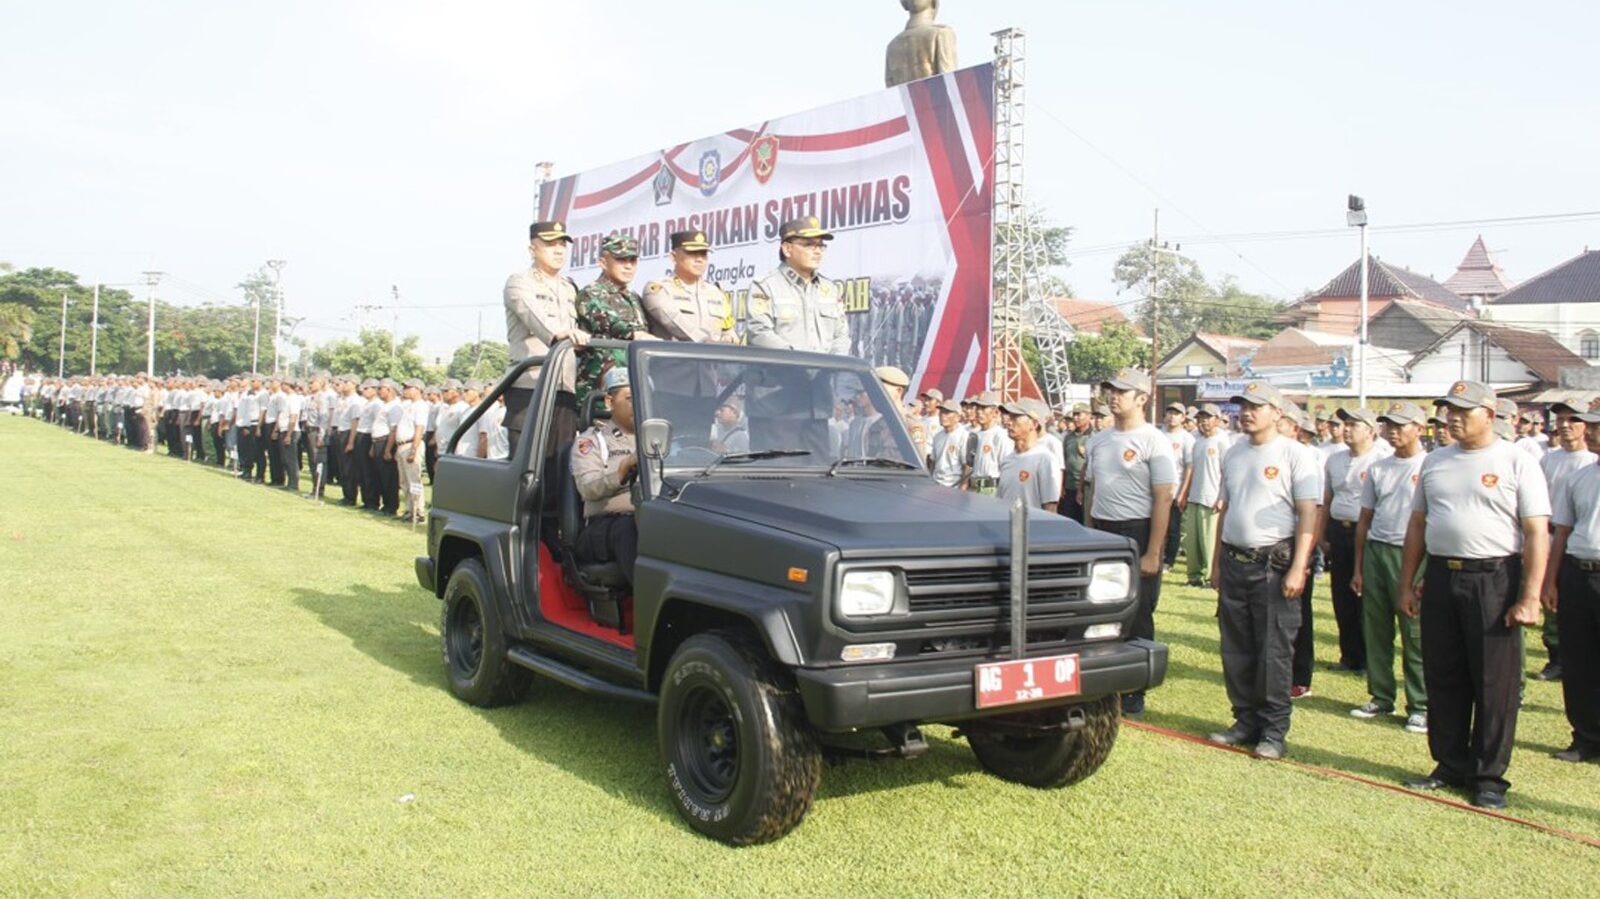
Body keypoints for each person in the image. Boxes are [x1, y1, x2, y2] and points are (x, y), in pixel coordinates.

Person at [1399, 380, 1549, 809]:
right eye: (1449, 409)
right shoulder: (1435, 462)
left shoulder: (1516, 460)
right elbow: (1418, 526)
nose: (1453, 417)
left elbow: (1537, 532)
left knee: (1493, 683)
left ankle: (1487, 776)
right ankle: (1449, 764)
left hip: (1495, 578)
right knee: (1444, 675)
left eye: (1463, 410)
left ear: (1490, 413)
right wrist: (1407, 583)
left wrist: (1530, 595)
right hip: (1443, 577)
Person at [1207, 381, 1321, 760]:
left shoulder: (1295, 454)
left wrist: (1299, 568)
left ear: (1278, 412)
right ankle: (1244, 720)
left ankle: (1273, 730)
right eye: (1243, 406)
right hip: (1235, 560)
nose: (1247, 412)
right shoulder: (1235, 452)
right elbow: (1228, 508)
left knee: (1274, 650)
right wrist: (1216, 564)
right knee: (1236, 646)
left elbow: (1308, 513)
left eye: (1256, 406)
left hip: (1274, 563)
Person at [1083, 368, 1176, 718]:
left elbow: (1163, 498)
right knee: (1100, 608)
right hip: (1103, 531)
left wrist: (1154, 551)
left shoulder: (1154, 440)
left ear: (1142, 398)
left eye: (1122, 392)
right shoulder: (1099, 440)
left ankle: (1135, 690)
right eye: (1111, 390)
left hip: (1137, 531)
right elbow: (1091, 492)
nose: (1113, 397)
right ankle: (1103, 680)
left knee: (1138, 612)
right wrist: (1088, 533)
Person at [1350, 402, 1431, 733]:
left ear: (1419, 428)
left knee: (1414, 632)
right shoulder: (1379, 468)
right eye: (1388, 425)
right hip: (1377, 550)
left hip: (1411, 552)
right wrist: (1358, 567)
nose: (1393, 431)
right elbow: (1364, 520)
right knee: (1376, 628)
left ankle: (1421, 704)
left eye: (1401, 425)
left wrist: (1424, 570)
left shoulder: (1429, 465)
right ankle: (1381, 695)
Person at [1542, 398, 1600, 764]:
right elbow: (1561, 533)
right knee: (1579, 661)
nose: (1591, 431)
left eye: (1596, 425)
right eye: (1589, 425)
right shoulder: (1579, 477)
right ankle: (1585, 738)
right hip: (1579, 573)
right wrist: (1550, 582)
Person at [504, 220, 584, 450]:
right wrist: (561, 334)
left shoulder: (569, 287)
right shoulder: (519, 283)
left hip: (564, 387)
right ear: (532, 250)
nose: (559, 250)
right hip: (530, 386)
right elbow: (537, 318)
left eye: (562, 244)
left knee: (559, 465)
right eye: (550, 244)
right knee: (527, 471)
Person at [1534, 398, 1596, 682]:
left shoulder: (1587, 462)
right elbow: (1559, 526)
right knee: (1555, 604)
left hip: (1585, 550)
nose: (1565, 425)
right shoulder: (1556, 462)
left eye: (1575, 420)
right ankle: (1557, 657)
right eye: (1561, 419)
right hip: (1560, 546)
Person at [1322, 408, 1385, 674]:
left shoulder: (1381, 460)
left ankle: (1371, 658)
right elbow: (1327, 499)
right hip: (1339, 531)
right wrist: (1322, 534)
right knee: (1342, 597)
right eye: (1345, 424)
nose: (1346, 429)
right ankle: (1350, 656)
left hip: (1368, 533)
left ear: (1371, 431)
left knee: (1366, 598)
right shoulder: (1334, 460)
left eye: (1353, 425)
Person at [572, 367, 640, 589]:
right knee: (630, 529)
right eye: (630, 398)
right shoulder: (592, 441)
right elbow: (588, 488)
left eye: (643, 397)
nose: (638, 404)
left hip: (651, 516)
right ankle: (650, 603)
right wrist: (622, 471)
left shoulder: (657, 438)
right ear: (610, 402)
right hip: (606, 525)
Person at [745, 217, 851, 355]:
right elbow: (759, 332)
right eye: (809, 245)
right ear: (787, 249)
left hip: (826, 374)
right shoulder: (765, 286)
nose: (818, 251)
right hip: (781, 373)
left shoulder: (830, 289)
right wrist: (798, 364)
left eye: (820, 245)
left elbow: (841, 336)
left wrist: (832, 368)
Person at [575, 234, 653, 406]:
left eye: (632, 260)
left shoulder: (634, 298)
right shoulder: (591, 293)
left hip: (633, 385)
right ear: (603, 262)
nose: (628, 266)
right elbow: (613, 324)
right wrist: (638, 335)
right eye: (621, 260)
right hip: (600, 389)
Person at [641, 230, 737, 344]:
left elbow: (729, 331)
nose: (699, 259)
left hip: (713, 359)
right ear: (673, 257)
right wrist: (705, 342)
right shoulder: (658, 289)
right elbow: (675, 321)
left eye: (703, 254)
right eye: (692, 253)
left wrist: (730, 340)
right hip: (674, 359)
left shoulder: (717, 292)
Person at [1180, 403, 1230, 587]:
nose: (1203, 422)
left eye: (1207, 418)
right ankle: (1194, 576)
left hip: (1212, 498)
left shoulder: (1222, 441)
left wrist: (1222, 497)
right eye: (1200, 418)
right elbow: (1192, 469)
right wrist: (1185, 494)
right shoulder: (1198, 441)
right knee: (1192, 543)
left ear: (1217, 420)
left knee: (1209, 542)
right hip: (1195, 496)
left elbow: (1227, 472)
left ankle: (1210, 577)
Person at [997, 398, 1061, 512]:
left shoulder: (1045, 459)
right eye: (1009, 417)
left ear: (1034, 424)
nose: (1008, 422)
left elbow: (1050, 508)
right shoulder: (1007, 460)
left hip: (1031, 528)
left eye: (1015, 417)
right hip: (1006, 526)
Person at [1162, 403, 1194, 568]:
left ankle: (1169, 560)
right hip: (1156, 489)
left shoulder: (1186, 438)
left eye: (1176, 414)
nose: (1172, 417)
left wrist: (1183, 492)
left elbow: (1189, 467)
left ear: (1183, 418)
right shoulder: (1158, 434)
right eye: (1170, 413)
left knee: (1173, 528)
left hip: (1175, 490)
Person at [963, 391, 1008, 494]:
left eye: (983, 408)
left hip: (991, 486)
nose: (979, 412)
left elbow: (1005, 469)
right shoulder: (974, 435)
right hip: (974, 486)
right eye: (978, 408)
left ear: (995, 412)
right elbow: (970, 465)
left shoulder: (1000, 435)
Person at [396, 378, 428, 520]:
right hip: (402, 445)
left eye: (409, 388)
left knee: (414, 480)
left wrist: (414, 450)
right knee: (404, 481)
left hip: (411, 444)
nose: (405, 390)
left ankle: (418, 511)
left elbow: (419, 428)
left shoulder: (421, 405)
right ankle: (409, 509)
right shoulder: (409, 405)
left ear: (417, 389)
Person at [1060, 403, 1092, 522]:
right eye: (1074, 415)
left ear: (1089, 416)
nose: (1076, 418)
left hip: (1087, 487)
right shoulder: (1069, 437)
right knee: (1069, 521)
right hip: (1069, 486)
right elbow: (1064, 461)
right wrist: (1062, 486)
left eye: (1079, 414)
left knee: (1086, 522)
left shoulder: (1094, 437)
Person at [928, 399, 968, 487]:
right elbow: (933, 462)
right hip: (936, 483)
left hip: (953, 485)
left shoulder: (963, 436)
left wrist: (963, 489)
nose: (943, 416)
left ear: (957, 417)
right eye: (941, 412)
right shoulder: (938, 436)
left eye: (947, 413)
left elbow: (966, 467)